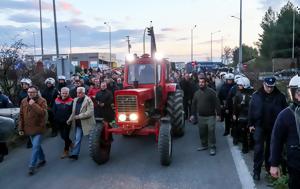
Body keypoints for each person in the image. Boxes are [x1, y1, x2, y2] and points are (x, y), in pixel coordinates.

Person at [248, 76, 287, 181]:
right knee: (258, 150)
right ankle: (256, 172)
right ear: (264, 84)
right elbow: (251, 109)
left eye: (271, 87)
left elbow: (285, 112)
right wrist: (250, 124)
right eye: (267, 86)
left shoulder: (280, 97)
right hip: (259, 126)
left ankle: (270, 170)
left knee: (271, 150)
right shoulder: (256, 95)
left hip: (274, 127)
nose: (269, 89)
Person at [269, 75, 300, 189]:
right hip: (296, 165)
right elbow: (276, 140)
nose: (297, 96)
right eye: (295, 92)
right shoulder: (286, 115)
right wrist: (274, 164)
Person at [18, 86, 47, 175]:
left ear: (36, 92)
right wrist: (20, 128)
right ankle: (42, 159)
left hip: (38, 128)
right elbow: (21, 115)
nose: (30, 94)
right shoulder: (23, 101)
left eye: (32, 92)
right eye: (29, 92)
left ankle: (31, 166)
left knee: (35, 147)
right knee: (37, 145)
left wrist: (33, 104)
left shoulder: (42, 100)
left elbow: (43, 113)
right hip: (28, 128)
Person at [190, 75, 221, 156]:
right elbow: (193, 104)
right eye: (200, 82)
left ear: (206, 83)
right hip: (200, 116)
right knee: (202, 132)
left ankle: (212, 147)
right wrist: (192, 114)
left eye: (202, 82)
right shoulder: (196, 93)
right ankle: (204, 145)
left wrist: (218, 114)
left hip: (210, 116)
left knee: (211, 131)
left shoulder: (211, 92)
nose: (201, 84)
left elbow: (217, 103)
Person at [67, 87, 95, 160]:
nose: (77, 94)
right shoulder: (75, 100)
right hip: (78, 124)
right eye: (77, 92)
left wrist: (79, 116)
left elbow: (90, 112)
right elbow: (73, 112)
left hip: (87, 124)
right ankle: (75, 154)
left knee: (92, 140)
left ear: (83, 93)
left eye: (79, 92)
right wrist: (69, 120)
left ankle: (95, 153)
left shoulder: (88, 100)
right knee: (77, 139)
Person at [231, 77, 254, 153]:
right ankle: (245, 147)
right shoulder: (238, 93)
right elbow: (235, 105)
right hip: (242, 116)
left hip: (251, 116)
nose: (238, 86)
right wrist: (234, 113)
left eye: (240, 85)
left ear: (245, 85)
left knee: (252, 133)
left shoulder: (253, 93)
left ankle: (251, 145)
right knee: (243, 132)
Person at [53, 87, 73, 159]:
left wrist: (70, 120)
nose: (64, 94)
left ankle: (66, 150)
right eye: (63, 93)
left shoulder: (71, 101)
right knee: (62, 136)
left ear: (68, 93)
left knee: (66, 136)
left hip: (67, 122)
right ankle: (70, 143)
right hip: (59, 121)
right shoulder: (56, 100)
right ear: (60, 93)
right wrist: (55, 118)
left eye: (66, 93)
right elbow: (54, 110)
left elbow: (73, 112)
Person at [18, 78, 33, 148]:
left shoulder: (33, 91)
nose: (24, 86)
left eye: (25, 84)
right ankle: (29, 139)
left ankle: (31, 140)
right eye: (23, 84)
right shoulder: (20, 93)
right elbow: (19, 103)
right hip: (24, 111)